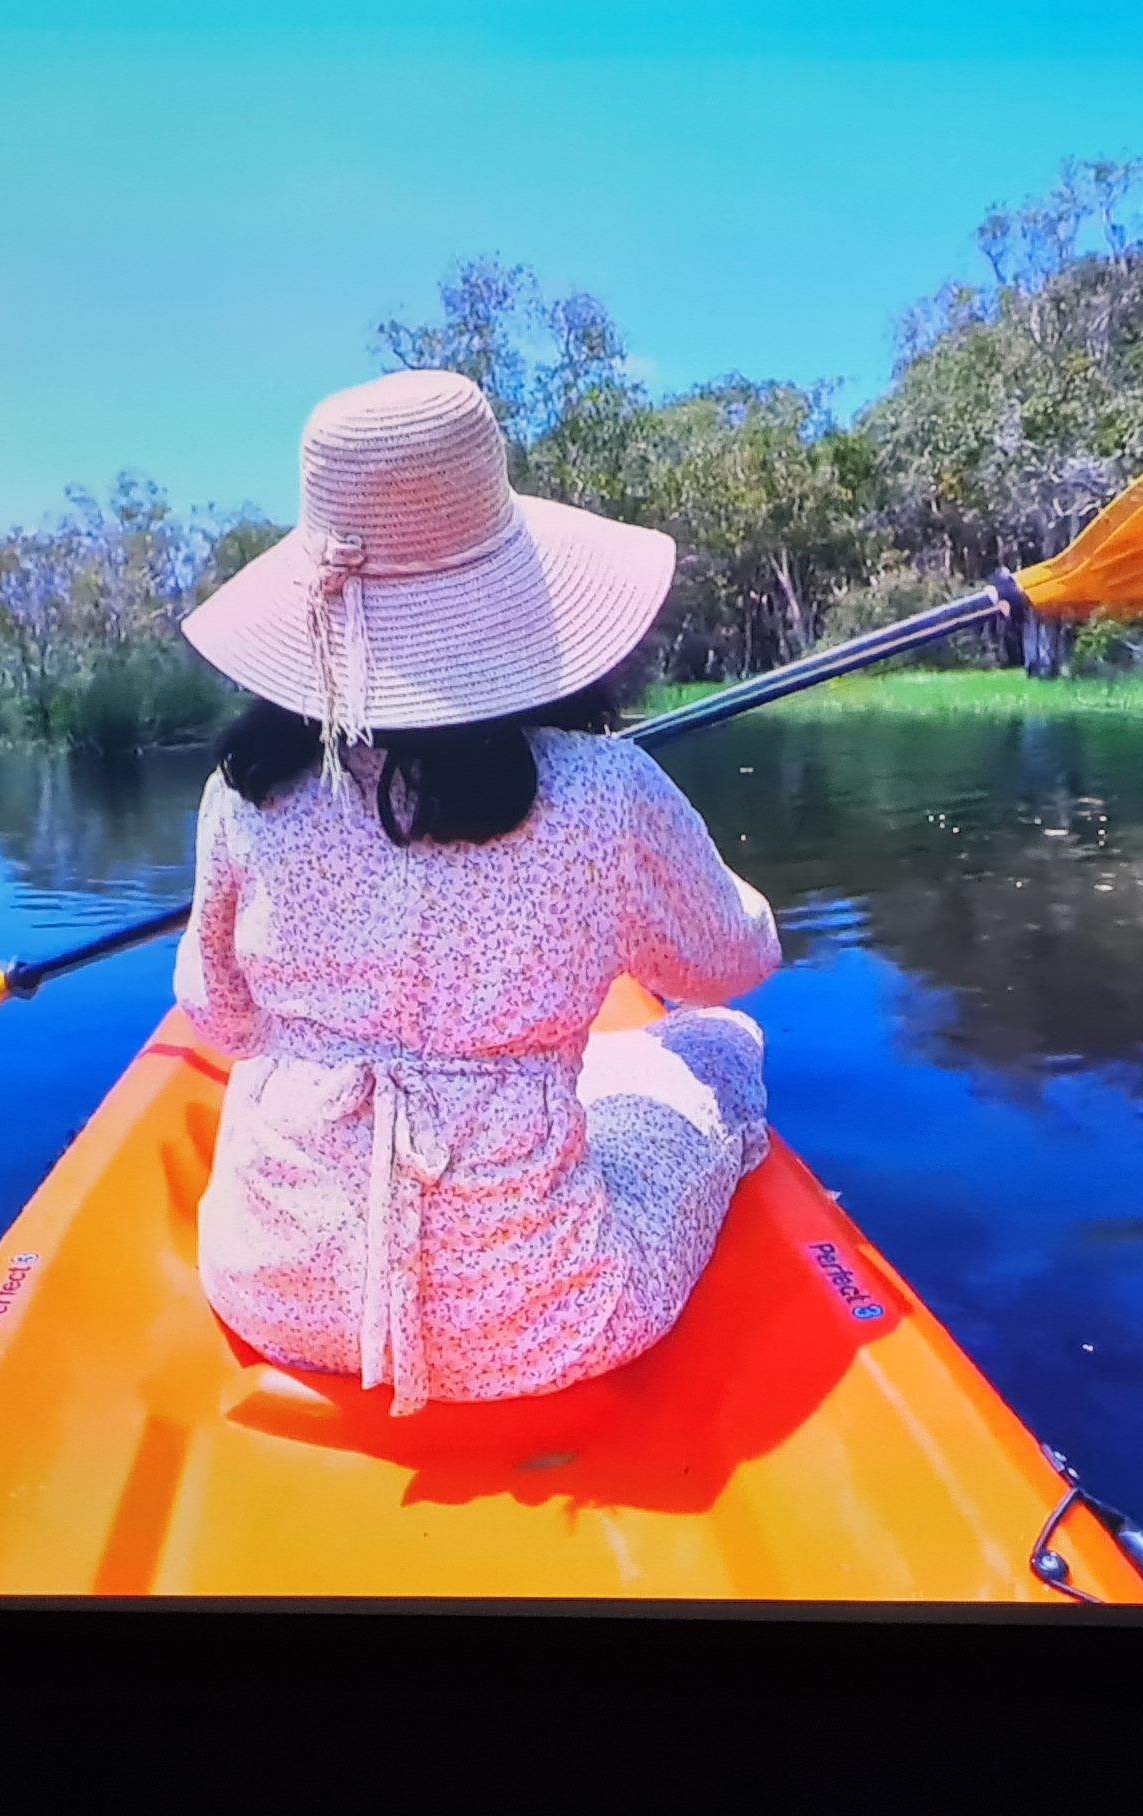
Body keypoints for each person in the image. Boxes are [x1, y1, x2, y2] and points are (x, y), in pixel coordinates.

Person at [171, 368, 784, 1418]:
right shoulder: (605, 790)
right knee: (719, 1044)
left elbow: (221, 1017)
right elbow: (731, 962)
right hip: (542, 1320)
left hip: (272, 1288)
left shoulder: (241, 794)